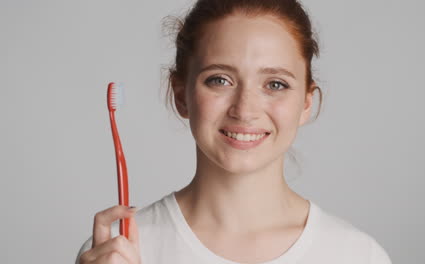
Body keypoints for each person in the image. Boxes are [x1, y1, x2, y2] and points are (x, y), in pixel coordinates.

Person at [76, 0, 392, 263]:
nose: (245, 109)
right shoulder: (116, 251)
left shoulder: (357, 255)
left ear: (307, 103)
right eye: (220, 80)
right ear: (181, 95)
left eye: (275, 84)